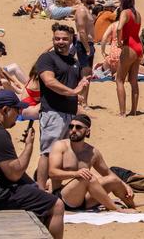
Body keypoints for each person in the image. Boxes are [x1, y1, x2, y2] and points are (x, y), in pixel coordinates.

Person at [0, 90, 65, 239]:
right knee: (56, 205)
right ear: (5, 110)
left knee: (34, 192)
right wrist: (29, 146)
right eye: (17, 111)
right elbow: (14, 173)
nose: (18, 117)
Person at [36, 24, 89, 191]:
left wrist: (80, 87)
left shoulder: (73, 62)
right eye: (57, 38)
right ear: (53, 39)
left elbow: (76, 84)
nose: (61, 42)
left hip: (70, 114)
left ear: (71, 40)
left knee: (63, 154)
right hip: (53, 112)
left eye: (65, 39)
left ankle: (56, 190)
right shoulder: (47, 58)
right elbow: (49, 81)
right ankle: (40, 189)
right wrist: (73, 92)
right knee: (48, 153)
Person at [48, 114, 136, 212]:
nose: (73, 130)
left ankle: (132, 206)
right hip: (62, 197)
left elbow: (107, 173)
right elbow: (52, 172)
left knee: (114, 180)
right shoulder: (60, 146)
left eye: (78, 127)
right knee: (87, 177)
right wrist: (75, 173)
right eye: (71, 126)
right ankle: (117, 209)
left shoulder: (93, 152)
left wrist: (124, 185)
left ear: (87, 131)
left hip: (84, 200)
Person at [116, 0, 142, 117]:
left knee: (119, 80)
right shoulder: (137, 14)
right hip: (138, 46)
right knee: (133, 81)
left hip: (129, 45)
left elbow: (119, 27)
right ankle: (134, 111)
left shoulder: (125, 13)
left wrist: (118, 41)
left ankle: (122, 112)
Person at [74, 0, 95, 107]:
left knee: (88, 75)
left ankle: (84, 102)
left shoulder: (86, 9)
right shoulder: (81, 11)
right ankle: (81, 102)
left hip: (88, 44)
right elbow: (81, 31)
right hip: (84, 45)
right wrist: (87, 48)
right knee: (85, 76)